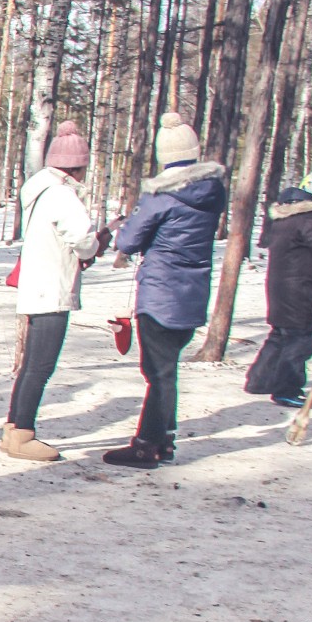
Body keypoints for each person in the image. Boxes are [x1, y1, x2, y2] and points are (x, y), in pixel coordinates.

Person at [106, 112, 227, 468]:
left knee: (158, 372)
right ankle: (165, 440)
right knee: (166, 368)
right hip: (194, 289)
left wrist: (127, 234)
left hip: (161, 290)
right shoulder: (212, 191)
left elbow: (129, 239)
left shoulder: (161, 195)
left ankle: (146, 446)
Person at [2, 120, 105, 462]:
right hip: (53, 287)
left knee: (31, 363)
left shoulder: (40, 189)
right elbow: (85, 240)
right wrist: (95, 247)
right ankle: (22, 433)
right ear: (76, 166)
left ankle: (14, 428)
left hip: (37, 285)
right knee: (40, 366)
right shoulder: (63, 195)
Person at [245, 170, 312, 408]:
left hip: (278, 285)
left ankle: (259, 381)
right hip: (299, 287)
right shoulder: (311, 218)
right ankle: (287, 389)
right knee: (300, 339)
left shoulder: (284, 216)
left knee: (279, 334)